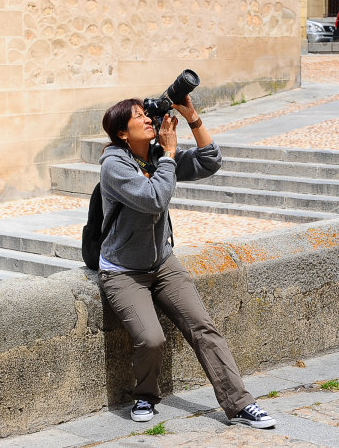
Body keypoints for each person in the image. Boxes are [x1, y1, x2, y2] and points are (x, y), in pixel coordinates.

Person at [96, 94, 276, 429]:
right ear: (122, 133)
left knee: (204, 328)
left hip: (162, 263)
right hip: (123, 272)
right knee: (152, 339)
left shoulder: (155, 155)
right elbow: (154, 198)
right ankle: (146, 396)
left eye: (147, 115)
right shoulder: (114, 166)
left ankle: (239, 404)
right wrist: (168, 154)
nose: (149, 119)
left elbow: (210, 161)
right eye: (139, 117)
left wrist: (191, 116)